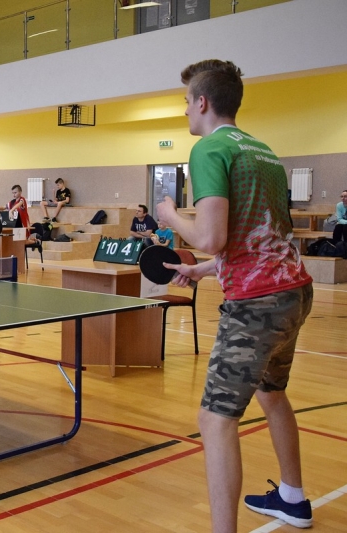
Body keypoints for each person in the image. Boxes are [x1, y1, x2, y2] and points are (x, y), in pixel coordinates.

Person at [157, 59, 313, 532]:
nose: (185, 110)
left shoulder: (209, 149)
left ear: (203, 102)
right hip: (294, 292)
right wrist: (205, 270)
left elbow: (210, 237)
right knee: (272, 393)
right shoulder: (263, 152)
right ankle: (292, 498)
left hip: (257, 304)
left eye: (187, 101)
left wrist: (170, 215)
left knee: (215, 419)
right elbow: (260, 236)